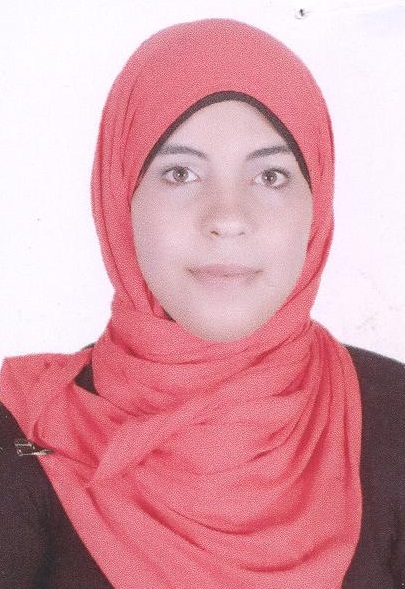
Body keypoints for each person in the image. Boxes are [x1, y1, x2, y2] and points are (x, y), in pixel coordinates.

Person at [0, 17, 404, 589]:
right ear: (119, 196)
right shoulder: (24, 437)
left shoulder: (394, 418)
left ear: (318, 203)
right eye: (180, 173)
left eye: (270, 176)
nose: (227, 218)